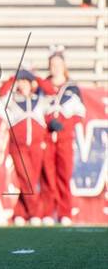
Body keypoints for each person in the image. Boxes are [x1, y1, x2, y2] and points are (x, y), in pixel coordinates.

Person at [0, 68, 55, 226]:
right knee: (27, 180)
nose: (23, 84)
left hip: (37, 146)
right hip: (19, 147)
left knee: (31, 181)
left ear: (32, 84)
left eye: (26, 81)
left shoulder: (40, 100)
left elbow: (51, 93)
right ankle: (35, 213)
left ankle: (20, 213)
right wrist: (13, 77)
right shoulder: (12, 100)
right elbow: (2, 93)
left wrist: (35, 76)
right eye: (21, 81)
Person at [40, 46, 86, 226]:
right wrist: (49, 119)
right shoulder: (44, 86)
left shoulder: (72, 87)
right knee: (47, 177)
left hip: (65, 139)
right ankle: (47, 213)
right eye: (52, 64)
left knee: (63, 176)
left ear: (64, 65)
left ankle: (64, 212)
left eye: (58, 63)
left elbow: (80, 113)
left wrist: (65, 123)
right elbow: (38, 109)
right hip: (47, 137)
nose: (56, 67)